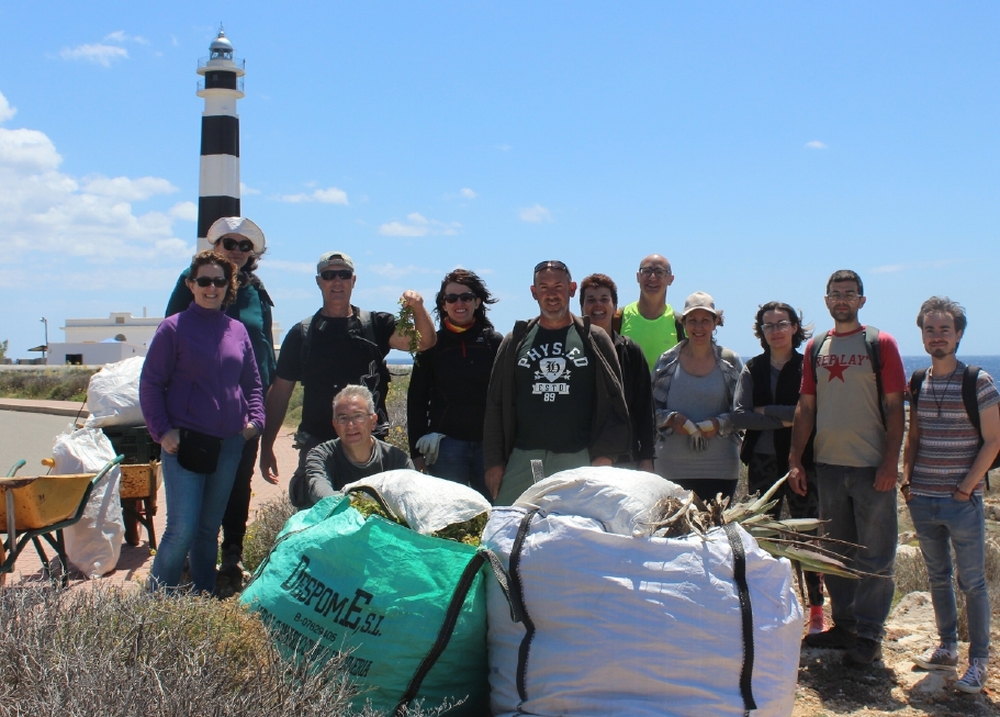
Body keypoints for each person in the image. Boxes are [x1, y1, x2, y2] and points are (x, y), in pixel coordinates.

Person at [790, 269, 905, 667]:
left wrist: (891, 462)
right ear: (826, 301)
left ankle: (870, 635)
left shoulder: (881, 343)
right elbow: (806, 406)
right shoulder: (815, 346)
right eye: (835, 294)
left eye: (849, 294)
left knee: (876, 555)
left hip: (872, 467)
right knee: (835, 552)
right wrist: (795, 460)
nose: (842, 300)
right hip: (829, 466)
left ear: (861, 300)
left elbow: (895, 408)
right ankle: (845, 626)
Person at [259, 251, 435, 508]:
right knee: (319, 516)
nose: (336, 281)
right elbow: (280, 393)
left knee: (375, 520)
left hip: (369, 445)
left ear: (354, 280)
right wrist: (267, 447)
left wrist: (418, 306)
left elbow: (425, 342)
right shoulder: (302, 334)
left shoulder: (375, 324)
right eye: (329, 275)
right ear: (319, 281)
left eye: (343, 275)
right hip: (318, 445)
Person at [140, 251, 264, 594]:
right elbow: (151, 383)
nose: (212, 288)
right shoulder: (173, 328)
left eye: (219, 281)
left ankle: (202, 598)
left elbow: (252, 383)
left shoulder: (236, 330)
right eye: (204, 281)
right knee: (181, 529)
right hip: (185, 445)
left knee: (209, 530)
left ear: (229, 287)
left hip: (228, 444)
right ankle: (155, 607)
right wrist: (162, 431)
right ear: (191, 285)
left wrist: (255, 420)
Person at [164, 216, 276, 585]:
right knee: (195, 489)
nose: (238, 251)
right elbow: (171, 343)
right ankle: (185, 566)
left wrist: (260, 412)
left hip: (244, 412)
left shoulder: (256, 290)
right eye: (230, 243)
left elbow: (262, 349)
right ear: (215, 247)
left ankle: (231, 558)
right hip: (196, 413)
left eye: (246, 246)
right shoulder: (196, 281)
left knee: (237, 485)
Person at [902, 297, 998, 693]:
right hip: (922, 497)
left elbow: (993, 441)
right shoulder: (919, 380)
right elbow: (915, 436)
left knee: (972, 581)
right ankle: (947, 647)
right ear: (922, 335)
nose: (936, 336)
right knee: (938, 577)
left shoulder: (978, 380)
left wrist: (965, 487)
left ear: (958, 334)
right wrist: (905, 482)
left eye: (944, 329)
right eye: (930, 329)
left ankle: (979, 662)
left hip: (961, 501)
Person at [483, 260, 630, 506]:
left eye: (558, 286)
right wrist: (493, 462)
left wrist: (605, 456)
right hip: (524, 457)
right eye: (544, 287)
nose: (551, 294)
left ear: (571, 289)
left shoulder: (594, 339)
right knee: (506, 527)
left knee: (575, 534)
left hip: (578, 458)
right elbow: (495, 404)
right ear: (534, 292)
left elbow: (615, 403)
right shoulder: (516, 340)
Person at [732, 301, 825, 634]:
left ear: (795, 327)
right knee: (762, 536)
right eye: (768, 326)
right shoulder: (752, 368)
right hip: (761, 460)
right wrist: (789, 417)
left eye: (782, 324)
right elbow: (740, 415)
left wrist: (767, 411)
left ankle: (816, 610)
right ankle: (765, 606)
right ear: (761, 332)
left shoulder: (808, 366)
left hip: (802, 461)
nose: (776, 331)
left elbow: (814, 412)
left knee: (806, 535)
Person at [407, 269, 502, 500]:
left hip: (487, 448)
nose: (459, 303)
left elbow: (507, 398)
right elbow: (416, 400)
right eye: (451, 298)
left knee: (492, 513)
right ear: (443, 304)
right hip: (444, 447)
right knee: (448, 517)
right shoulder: (432, 345)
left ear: (477, 302)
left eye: (466, 297)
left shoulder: (494, 342)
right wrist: (416, 454)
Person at [651, 292, 743, 502]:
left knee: (718, 533)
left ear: (715, 323)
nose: (698, 327)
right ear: (683, 323)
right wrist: (671, 419)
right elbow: (649, 411)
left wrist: (718, 424)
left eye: (705, 321)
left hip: (720, 469)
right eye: (692, 320)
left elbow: (743, 413)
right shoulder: (666, 361)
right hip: (670, 469)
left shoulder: (730, 361)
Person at [579, 273, 655, 471]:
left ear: (614, 306)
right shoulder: (571, 350)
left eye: (604, 299)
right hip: (578, 458)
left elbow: (645, 409)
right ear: (581, 307)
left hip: (625, 458)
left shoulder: (630, 351)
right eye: (591, 300)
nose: (598, 305)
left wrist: (647, 457)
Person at [304, 385, 413, 506]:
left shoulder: (397, 460)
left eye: (358, 416)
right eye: (343, 418)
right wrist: (353, 505)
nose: (350, 425)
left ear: (373, 421)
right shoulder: (321, 456)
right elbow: (318, 487)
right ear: (335, 425)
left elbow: (412, 496)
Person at [616, 254, 685, 372]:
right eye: (646, 271)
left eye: (660, 272)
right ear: (638, 277)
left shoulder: (680, 323)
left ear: (671, 279)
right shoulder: (618, 318)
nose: (652, 277)